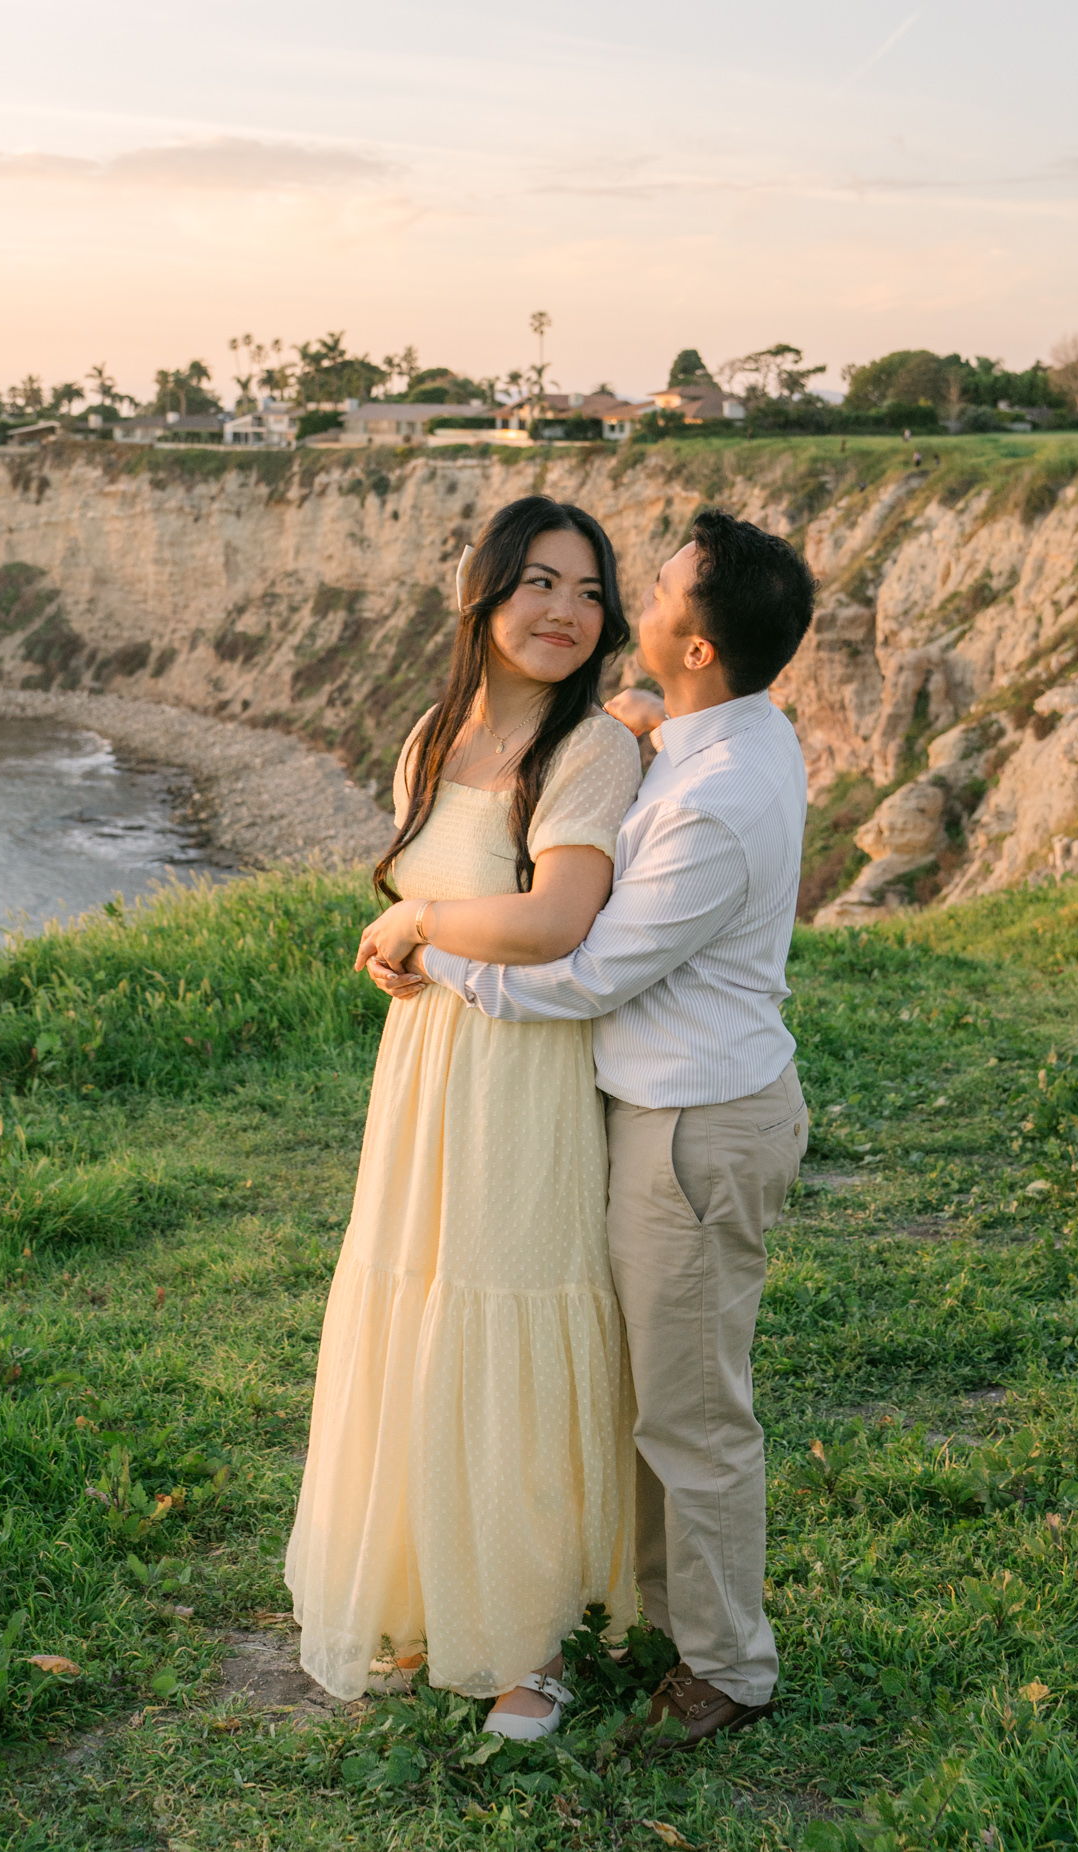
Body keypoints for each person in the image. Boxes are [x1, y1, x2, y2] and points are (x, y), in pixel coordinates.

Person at [376, 508, 817, 1743]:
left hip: (693, 1125)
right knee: (649, 1394)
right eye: (547, 586)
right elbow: (621, 726)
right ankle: (651, 1618)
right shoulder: (707, 731)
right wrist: (626, 716)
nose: (618, 608)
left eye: (648, 589)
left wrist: (422, 937)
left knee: (687, 1409)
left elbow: (582, 969)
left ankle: (726, 1669)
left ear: (692, 644)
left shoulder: (715, 797)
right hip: (668, 1110)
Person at [285, 494, 645, 1738]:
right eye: (541, 582)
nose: (565, 612)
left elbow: (553, 922)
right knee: (417, 1309)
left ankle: (530, 1640)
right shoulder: (431, 735)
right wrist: (396, 951)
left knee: (506, 1311)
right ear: (482, 592)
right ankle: (436, 1588)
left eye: (590, 593)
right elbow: (425, 906)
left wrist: (420, 927)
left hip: (524, 1074)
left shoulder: (593, 750)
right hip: (424, 1065)